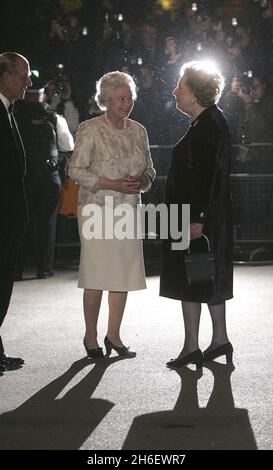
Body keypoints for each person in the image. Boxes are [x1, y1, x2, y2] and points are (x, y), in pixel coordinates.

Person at [69, 71, 155, 359]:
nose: (127, 103)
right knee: (96, 274)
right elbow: (76, 170)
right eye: (121, 98)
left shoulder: (139, 130)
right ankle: (91, 336)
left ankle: (114, 335)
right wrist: (112, 183)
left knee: (123, 275)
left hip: (129, 209)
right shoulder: (90, 128)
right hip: (96, 209)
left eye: (130, 97)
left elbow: (150, 171)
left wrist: (142, 182)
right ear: (106, 100)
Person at [160, 60, 233, 369]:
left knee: (191, 277)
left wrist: (196, 218)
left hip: (197, 218)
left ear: (195, 92)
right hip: (200, 216)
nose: (175, 92)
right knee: (205, 277)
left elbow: (206, 175)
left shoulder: (208, 125)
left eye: (181, 87)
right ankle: (218, 340)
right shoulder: (208, 122)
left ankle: (194, 346)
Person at [15, 78, 74, 279]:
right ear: (43, 94)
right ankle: (44, 267)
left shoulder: (13, 115)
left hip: (20, 177)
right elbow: (67, 146)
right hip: (48, 175)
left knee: (21, 222)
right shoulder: (54, 118)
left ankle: (17, 268)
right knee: (47, 221)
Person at [0, 52, 32, 371]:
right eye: (23, 76)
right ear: (5, 76)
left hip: (9, 217)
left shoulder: (8, 111)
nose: (28, 82)